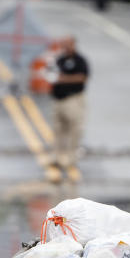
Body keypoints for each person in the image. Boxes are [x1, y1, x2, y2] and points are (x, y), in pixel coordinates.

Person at [49, 36, 88, 183]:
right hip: (58, 100)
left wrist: (63, 79)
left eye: (67, 44)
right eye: (63, 44)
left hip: (73, 99)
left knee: (74, 129)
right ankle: (57, 157)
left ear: (73, 45)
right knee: (59, 130)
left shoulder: (80, 61)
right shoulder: (59, 60)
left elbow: (82, 77)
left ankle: (71, 158)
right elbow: (50, 73)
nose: (65, 47)